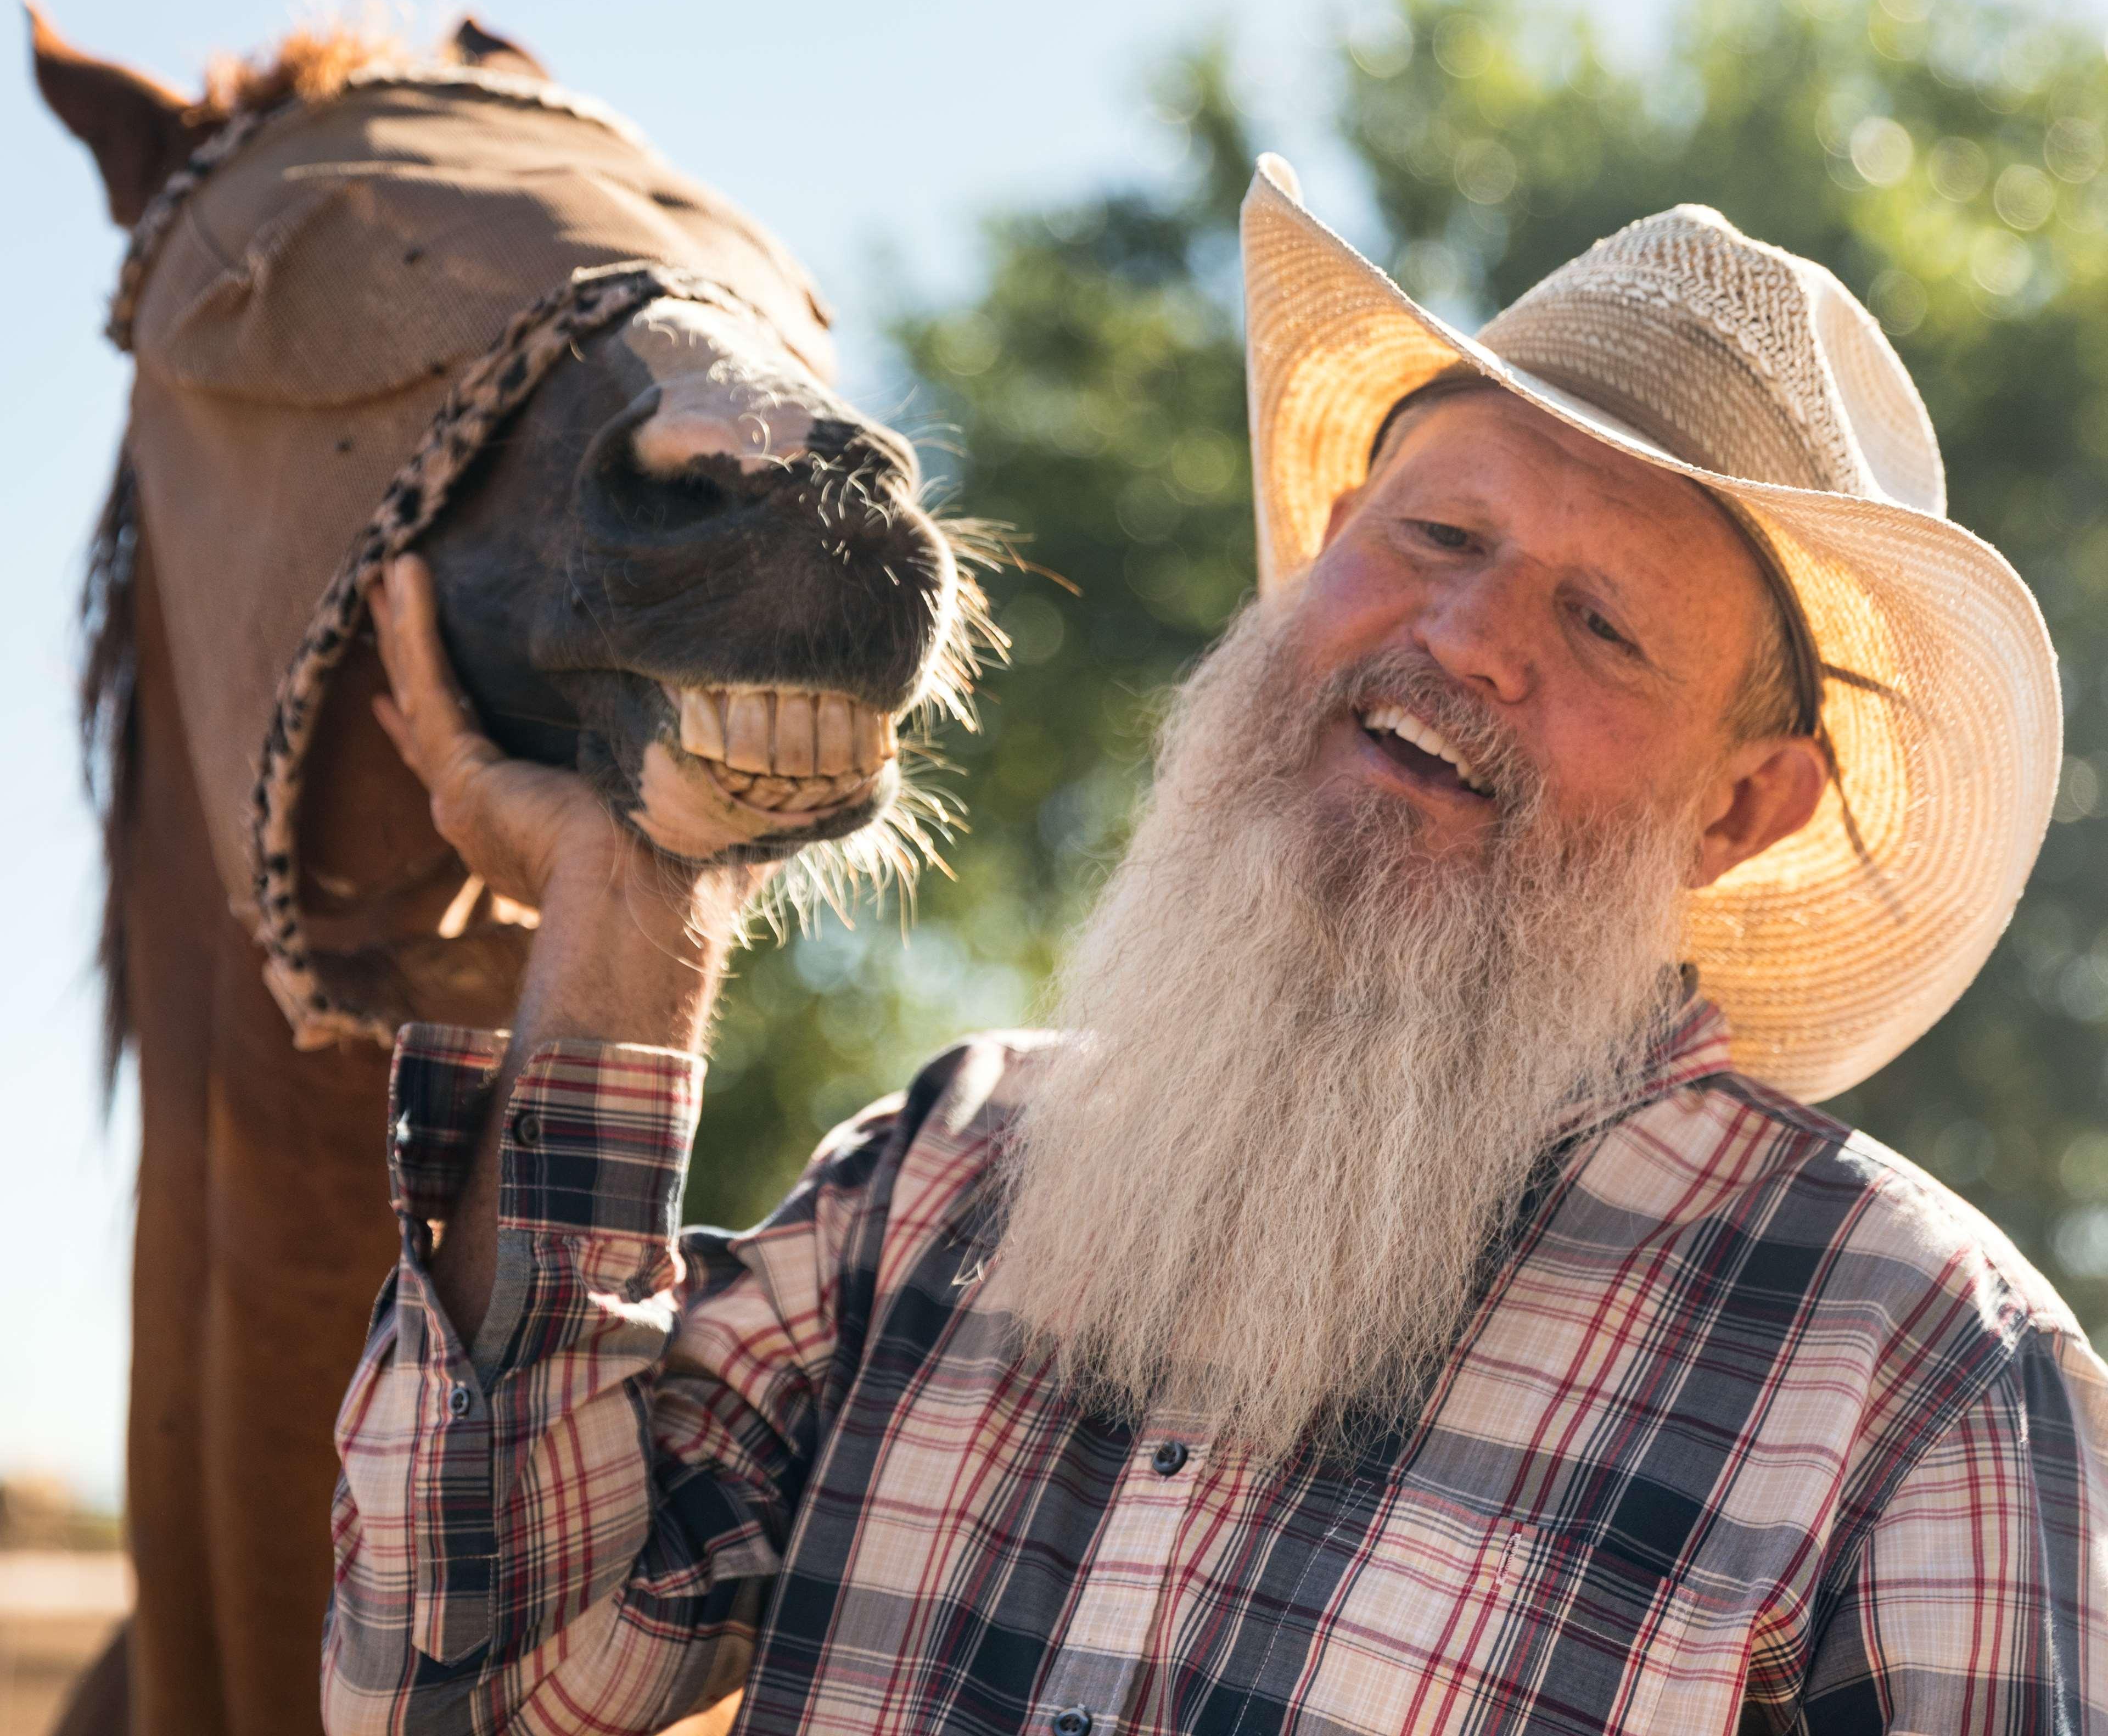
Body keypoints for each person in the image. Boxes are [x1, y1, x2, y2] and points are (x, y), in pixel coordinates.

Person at [322, 163, 2106, 1735]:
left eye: (1603, 623)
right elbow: (459, 1690)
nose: (1471, 636)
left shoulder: (1917, 1375)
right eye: (1439, 535)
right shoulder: (945, 1180)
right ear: (1326, 557)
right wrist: (631, 905)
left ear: (1747, 811)